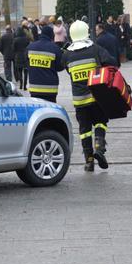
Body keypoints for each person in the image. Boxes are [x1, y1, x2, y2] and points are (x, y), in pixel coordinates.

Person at [62, 20, 118, 172]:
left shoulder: (67, 55)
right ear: (87, 33)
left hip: (79, 101)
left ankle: (89, 161)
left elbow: (66, 69)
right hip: (96, 97)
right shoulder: (95, 50)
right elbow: (112, 63)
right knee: (100, 122)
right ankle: (99, 147)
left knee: (84, 130)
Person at [26, 26, 64, 102]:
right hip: (50, 89)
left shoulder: (30, 47)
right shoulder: (55, 48)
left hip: (34, 88)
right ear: (51, 35)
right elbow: (60, 67)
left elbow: (27, 64)